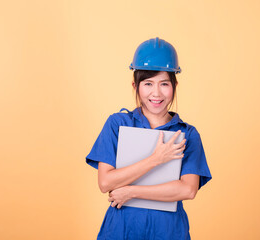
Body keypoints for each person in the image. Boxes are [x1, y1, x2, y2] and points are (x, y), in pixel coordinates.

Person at [86, 37, 212, 240]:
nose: (156, 93)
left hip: (168, 231)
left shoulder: (187, 134)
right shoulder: (118, 124)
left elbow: (188, 189)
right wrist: (155, 159)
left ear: (174, 85)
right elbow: (105, 182)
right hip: (121, 230)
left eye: (164, 84)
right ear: (135, 86)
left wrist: (131, 192)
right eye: (148, 84)